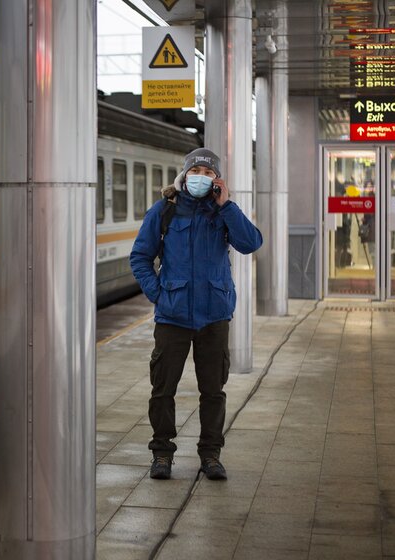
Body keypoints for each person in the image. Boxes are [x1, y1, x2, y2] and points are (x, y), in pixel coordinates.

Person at [129, 148, 263, 481]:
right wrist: (159, 294)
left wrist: (227, 206)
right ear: (185, 174)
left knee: (213, 391)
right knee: (163, 390)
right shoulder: (165, 211)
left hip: (214, 315)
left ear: (216, 179)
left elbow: (251, 243)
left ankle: (210, 455)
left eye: (207, 172)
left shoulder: (223, 211)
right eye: (195, 171)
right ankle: (162, 453)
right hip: (172, 316)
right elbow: (140, 257)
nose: (200, 177)